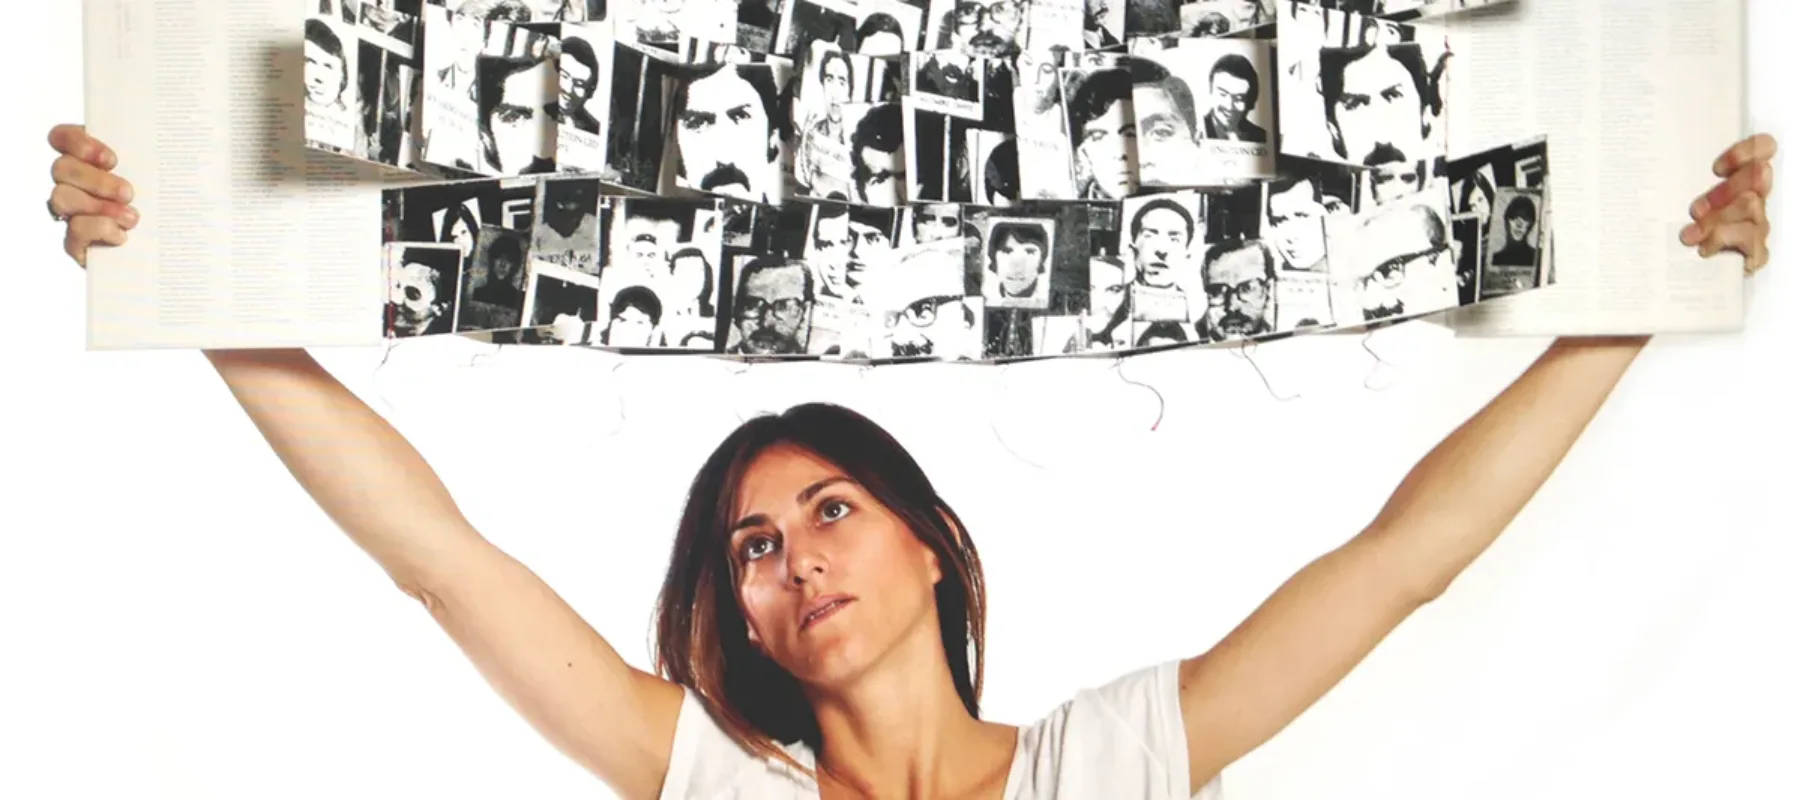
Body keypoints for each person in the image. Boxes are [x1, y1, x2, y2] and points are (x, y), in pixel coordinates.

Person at [43, 123, 1778, 798]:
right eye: (749, 548)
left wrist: (1635, 304)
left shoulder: (1114, 761)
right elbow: (436, 555)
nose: (792, 558)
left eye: (829, 510)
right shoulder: (716, 782)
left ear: (932, 542)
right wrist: (182, 280)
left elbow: (1406, 560)